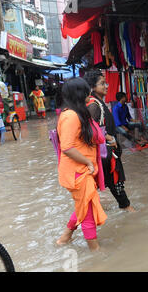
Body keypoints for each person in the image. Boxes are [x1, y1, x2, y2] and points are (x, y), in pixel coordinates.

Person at [55, 77, 107, 251]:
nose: (90, 93)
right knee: (88, 212)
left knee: (83, 205)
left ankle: (64, 238)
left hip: (82, 169)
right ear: (79, 93)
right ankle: (96, 251)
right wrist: (87, 162)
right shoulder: (70, 116)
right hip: (78, 171)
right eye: (87, 91)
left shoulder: (77, 113)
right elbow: (67, 147)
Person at [83, 70, 136, 213]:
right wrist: (109, 138)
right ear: (92, 87)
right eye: (102, 83)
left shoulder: (97, 102)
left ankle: (96, 210)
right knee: (116, 182)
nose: (106, 86)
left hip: (107, 151)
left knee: (111, 182)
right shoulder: (94, 104)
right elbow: (92, 129)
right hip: (106, 153)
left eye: (105, 82)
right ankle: (128, 209)